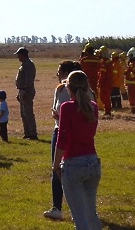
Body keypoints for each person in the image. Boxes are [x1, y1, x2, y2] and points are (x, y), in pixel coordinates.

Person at [52, 70, 102, 230]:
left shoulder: (66, 107)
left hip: (73, 164)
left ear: (69, 88)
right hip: (93, 162)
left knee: (80, 219)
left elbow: (63, 139)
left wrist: (55, 164)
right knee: (91, 214)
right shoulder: (93, 107)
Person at [44, 60, 75, 221]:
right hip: (77, 133)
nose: (57, 75)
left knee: (57, 170)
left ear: (65, 73)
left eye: (59, 72)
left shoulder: (63, 89)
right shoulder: (87, 90)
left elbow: (63, 112)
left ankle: (58, 207)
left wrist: (58, 115)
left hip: (62, 132)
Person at [15, 47, 38, 139]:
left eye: (18, 55)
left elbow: (28, 80)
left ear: (22, 55)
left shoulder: (28, 65)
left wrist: (25, 92)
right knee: (23, 114)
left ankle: (33, 134)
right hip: (22, 90)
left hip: (26, 91)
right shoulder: (24, 64)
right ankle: (27, 133)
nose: (17, 57)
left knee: (28, 113)